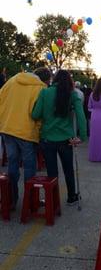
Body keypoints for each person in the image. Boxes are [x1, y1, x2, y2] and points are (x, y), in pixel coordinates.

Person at [32, 69, 87, 205]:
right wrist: (83, 137)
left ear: (54, 79)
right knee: (68, 169)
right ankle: (72, 197)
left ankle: (53, 199)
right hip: (66, 139)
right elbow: (81, 116)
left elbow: (35, 115)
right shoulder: (73, 94)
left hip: (47, 138)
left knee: (52, 171)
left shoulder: (45, 92)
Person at [0, 69, 49, 207]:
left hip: (7, 128)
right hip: (27, 132)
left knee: (12, 164)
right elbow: (40, 114)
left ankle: (11, 200)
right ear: (45, 80)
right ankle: (30, 201)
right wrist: (40, 132)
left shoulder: (12, 80)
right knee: (29, 167)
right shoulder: (42, 88)